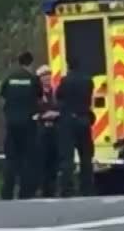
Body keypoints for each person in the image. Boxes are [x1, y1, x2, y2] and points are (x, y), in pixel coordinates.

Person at [0, 51, 41, 200]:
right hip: (28, 124)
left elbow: (3, 94)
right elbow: (39, 96)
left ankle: (7, 192)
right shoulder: (33, 79)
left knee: (11, 158)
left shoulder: (9, 78)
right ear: (30, 63)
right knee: (27, 158)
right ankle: (25, 192)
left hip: (11, 123)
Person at [56, 56, 95, 197]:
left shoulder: (66, 81)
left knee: (67, 157)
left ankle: (67, 189)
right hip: (84, 119)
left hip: (69, 121)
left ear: (68, 66)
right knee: (86, 156)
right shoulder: (88, 81)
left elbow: (59, 96)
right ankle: (87, 188)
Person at [32, 65, 61, 197]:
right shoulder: (36, 95)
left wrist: (56, 113)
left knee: (54, 161)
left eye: (49, 76)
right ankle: (42, 189)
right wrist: (43, 115)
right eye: (44, 77)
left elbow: (61, 107)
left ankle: (53, 188)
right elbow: (33, 113)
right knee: (41, 161)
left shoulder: (55, 93)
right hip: (41, 130)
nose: (47, 79)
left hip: (55, 130)